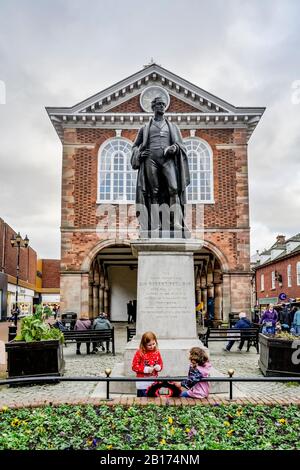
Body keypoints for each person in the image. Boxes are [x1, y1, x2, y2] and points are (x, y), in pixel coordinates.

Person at [131, 96, 190, 237]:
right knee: (154, 192)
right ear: (153, 107)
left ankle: (176, 222)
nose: (162, 106)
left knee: (174, 188)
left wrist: (174, 148)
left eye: (163, 104)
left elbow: (180, 145)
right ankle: (155, 224)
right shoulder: (145, 128)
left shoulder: (173, 127)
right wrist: (139, 153)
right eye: (159, 104)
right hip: (151, 160)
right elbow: (134, 146)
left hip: (167, 160)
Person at [131, 331, 163, 397]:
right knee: (143, 401)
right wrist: (145, 369)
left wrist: (158, 367)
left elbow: (160, 363)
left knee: (155, 401)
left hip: (154, 381)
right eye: (149, 345)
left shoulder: (157, 352)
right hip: (143, 382)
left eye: (153, 344)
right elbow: (134, 366)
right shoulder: (139, 353)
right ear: (144, 344)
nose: (152, 346)